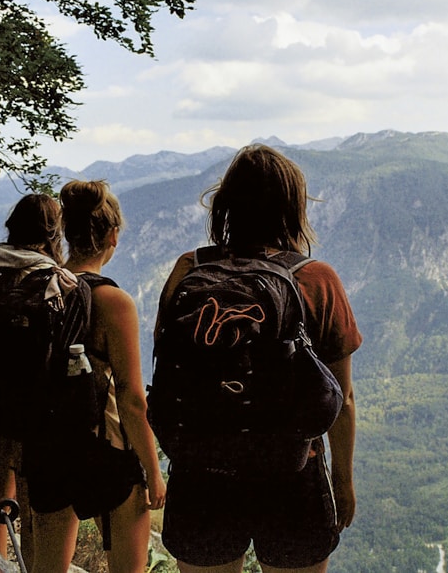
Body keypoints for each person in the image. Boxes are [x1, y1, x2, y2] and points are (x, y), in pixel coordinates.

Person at [158, 144, 362, 573]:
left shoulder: (187, 270)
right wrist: (343, 482)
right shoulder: (317, 279)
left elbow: (169, 366)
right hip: (292, 474)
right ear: (292, 208)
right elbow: (340, 399)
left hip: (200, 472)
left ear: (226, 205)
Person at [26, 180, 166, 573]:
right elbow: (132, 399)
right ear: (113, 236)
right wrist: (153, 473)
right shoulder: (113, 302)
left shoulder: (41, 288)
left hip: (47, 446)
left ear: (67, 234)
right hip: (104, 450)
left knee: (47, 567)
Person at [0, 193, 64, 562]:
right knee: (31, 497)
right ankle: (30, 565)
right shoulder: (52, 275)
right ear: (53, 232)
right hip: (36, 398)